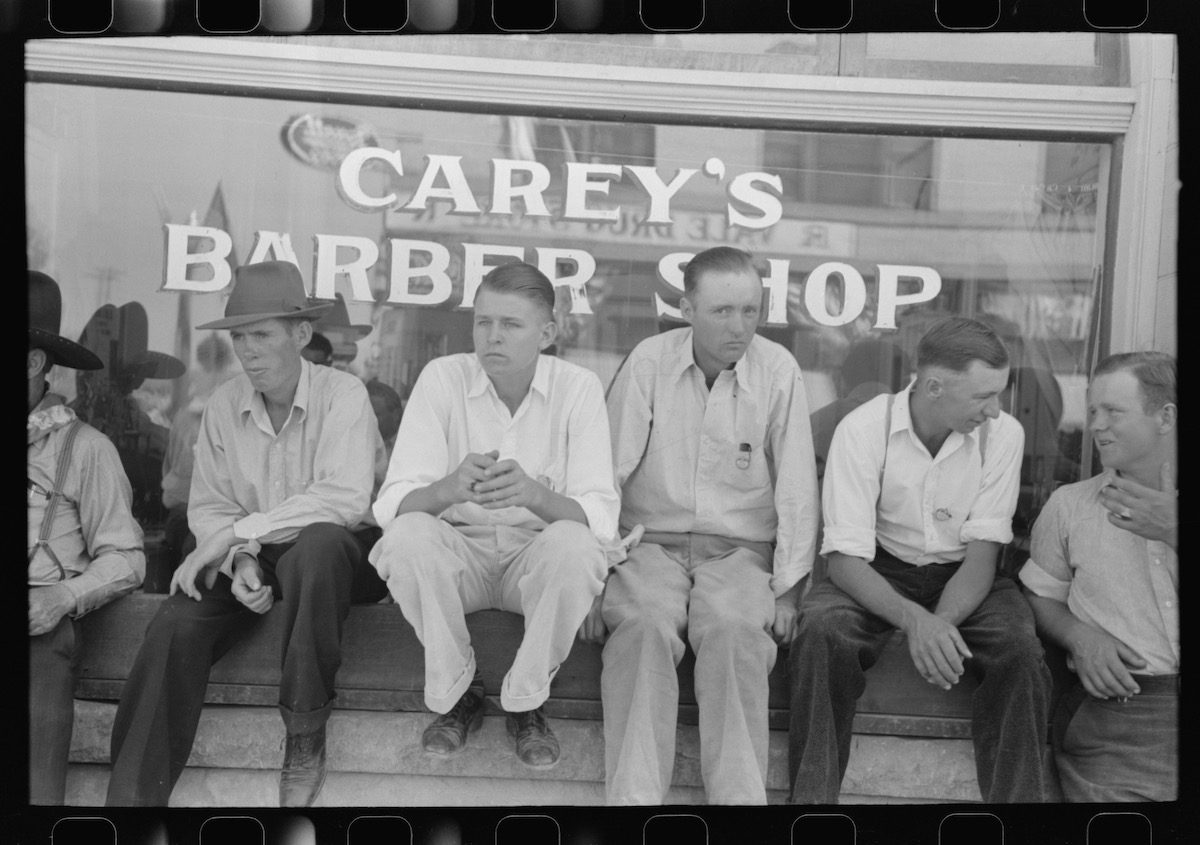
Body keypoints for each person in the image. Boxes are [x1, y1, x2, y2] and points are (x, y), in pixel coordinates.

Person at [106, 261, 388, 807]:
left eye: (261, 334)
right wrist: (240, 561)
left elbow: (345, 499)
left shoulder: (344, 394)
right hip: (253, 555)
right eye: (239, 337)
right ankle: (129, 806)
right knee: (175, 620)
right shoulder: (222, 406)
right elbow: (211, 508)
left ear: (301, 335)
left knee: (320, 544)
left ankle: (305, 737)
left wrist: (238, 533)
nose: (248, 350)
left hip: (340, 561)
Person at [788, 317, 1052, 804]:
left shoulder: (1004, 435)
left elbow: (983, 556)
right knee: (821, 636)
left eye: (1000, 394)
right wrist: (915, 622)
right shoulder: (863, 430)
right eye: (982, 396)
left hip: (966, 574)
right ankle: (810, 809)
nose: (995, 410)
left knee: (1020, 652)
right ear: (933, 387)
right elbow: (845, 561)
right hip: (876, 567)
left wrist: (939, 626)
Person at [370, 261, 619, 769]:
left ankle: (526, 702)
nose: (492, 337)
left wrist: (533, 494)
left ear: (547, 333)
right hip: (460, 556)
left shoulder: (578, 388)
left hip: (534, 563)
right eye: (483, 322)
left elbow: (600, 519)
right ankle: (458, 692)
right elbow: (393, 506)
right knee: (407, 537)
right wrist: (447, 488)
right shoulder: (444, 378)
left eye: (511, 324)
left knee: (576, 545)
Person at [600, 246, 819, 804]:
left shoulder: (778, 371)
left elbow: (796, 488)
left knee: (736, 635)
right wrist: (591, 574)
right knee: (643, 629)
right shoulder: (649, 361)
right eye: (722, 311)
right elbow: (606, 474)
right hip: (650, 544)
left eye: (751, 311)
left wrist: (790, 590)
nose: (740, 326)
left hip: (741, 552)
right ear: (686, 308)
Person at [1020, 352, 1177, 801]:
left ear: (1164, 417)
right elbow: (1038, 596)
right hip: (1116, 719)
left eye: (1113, 411)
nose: (1096, 425)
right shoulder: (1070, 506)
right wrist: (1079, 637)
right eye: (1092, 411)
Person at [27, 271, 146, 805]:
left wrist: (61, 597)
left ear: (33, 363)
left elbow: (126, 557)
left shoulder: (86, 448)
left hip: (35, 626)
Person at [365, 379, 404, 455]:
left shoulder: (410, 446)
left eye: (376, 415)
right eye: (366, 415)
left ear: (396, 415)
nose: (369, 421)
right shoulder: (359, 442)